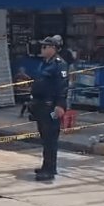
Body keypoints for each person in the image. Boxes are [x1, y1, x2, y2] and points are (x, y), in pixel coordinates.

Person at [30, 36, 69, 181]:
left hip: (51, 107)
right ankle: (46, 165)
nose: (42, 49)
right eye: (42, 47)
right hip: (41, 106)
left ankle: (50, 170)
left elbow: (62, 86)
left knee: (51, 139)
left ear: (53, 48)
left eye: (45, 47)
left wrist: (60, 105)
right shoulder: (44, 63)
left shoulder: (59, 64)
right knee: (45, 138)